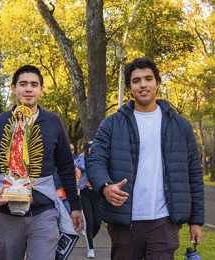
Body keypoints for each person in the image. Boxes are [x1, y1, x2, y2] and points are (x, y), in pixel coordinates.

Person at [86, 57, 205, 260]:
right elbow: (95, 160)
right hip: (124, 220)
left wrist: (196, 221)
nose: (143, 85)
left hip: (165, 221)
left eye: (148, 79)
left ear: (157, 83)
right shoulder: (111, 124)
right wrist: (105, 186)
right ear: (130, 88)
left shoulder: (180, 126)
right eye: (136, 80)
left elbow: (194, 173)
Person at [0, 65, 82, 260]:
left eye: (34, 84)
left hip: (44, 213)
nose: (28, 89)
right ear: (13, 88)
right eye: (23, 84)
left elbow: (66, 166)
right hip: (6, 214)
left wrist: (75, 206)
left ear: (41, 89)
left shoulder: (53, 122)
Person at [75, 141, 101, 259]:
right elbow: (81, 167)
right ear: (86, 149)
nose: (92, 150)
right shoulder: (81, 158)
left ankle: (89, 236)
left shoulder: (99, 157)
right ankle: (91, 247)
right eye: (90, 148)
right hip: (84, 192)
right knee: (89, 220)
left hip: (95, 192)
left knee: (97, 222)